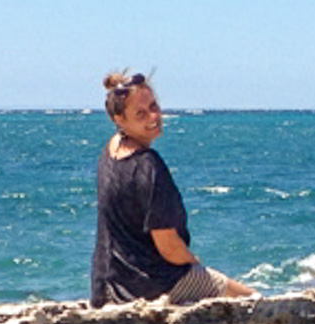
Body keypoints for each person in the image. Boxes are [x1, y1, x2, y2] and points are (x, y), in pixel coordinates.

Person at [90, 70, 255, 306]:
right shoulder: (149, 166)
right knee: (250, 300)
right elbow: (168, 247)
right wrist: (192, 261)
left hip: (107, 283)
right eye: (141, 114)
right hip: (149, 285)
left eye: (154, 107)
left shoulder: (110, 151)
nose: (153, 117)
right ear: (119, 120)